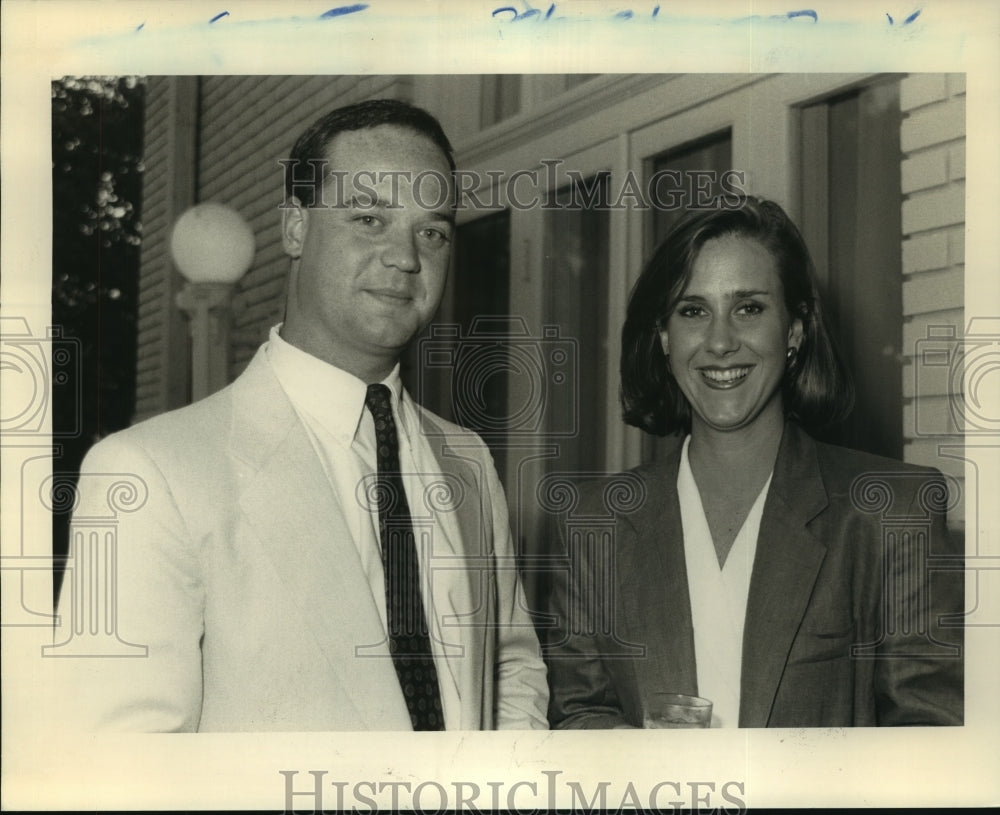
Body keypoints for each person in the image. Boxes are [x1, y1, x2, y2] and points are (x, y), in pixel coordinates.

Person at [52, 99, 548, 731]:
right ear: (294, 228)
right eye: (369, 218)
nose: (406, 256)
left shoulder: (468, 462)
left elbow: (511, 670)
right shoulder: (149, 474)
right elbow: (119, 773)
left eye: (433, 231)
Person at [545, 196, 963, 728]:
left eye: (749, 308)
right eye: (693, 311)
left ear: (794, 331)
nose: (720, 341)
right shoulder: (593, 523)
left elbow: (930, 746)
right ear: (664, 336)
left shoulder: (892, 514)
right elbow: (579, 713)